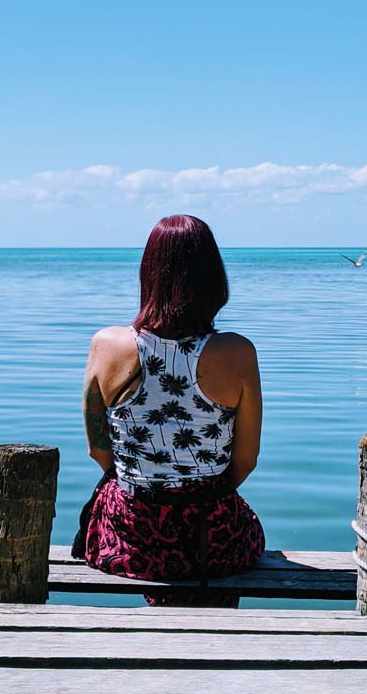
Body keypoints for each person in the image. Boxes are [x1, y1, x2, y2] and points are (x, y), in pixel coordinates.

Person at [80, 214, 265, 605]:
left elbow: (98, 450)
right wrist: (197, 501)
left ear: (149, 274)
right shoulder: (236, 352)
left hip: (130, 532)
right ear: (214, 280)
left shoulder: (106, 344)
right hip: (213, 539)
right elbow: (245, 462)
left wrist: (144, 489)